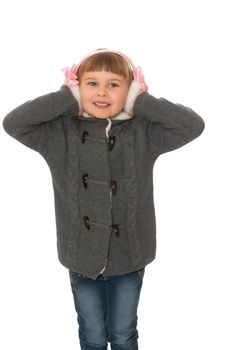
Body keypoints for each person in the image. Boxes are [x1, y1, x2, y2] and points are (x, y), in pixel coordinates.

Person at [2, 48, 205, 350]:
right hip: (81, 257)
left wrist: (141, 101)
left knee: (123, 333)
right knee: (92, 335)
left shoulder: (143, 132)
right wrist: (65, 97)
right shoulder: (59, 133)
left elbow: (192, 126)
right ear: (76, 87)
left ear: (130, 89)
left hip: (130, 255)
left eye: (114, 84)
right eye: (91, 83)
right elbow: (14, 123)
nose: (102, 92)